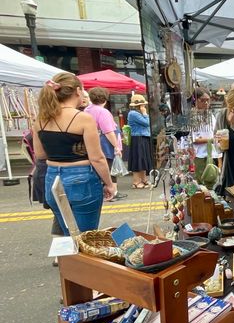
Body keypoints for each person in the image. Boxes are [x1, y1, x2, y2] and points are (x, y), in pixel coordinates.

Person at [32, 73, 116, 236]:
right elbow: (97, 158)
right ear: (77, 91)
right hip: (82, 178)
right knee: (86, 237)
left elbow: (40, 154)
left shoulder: (41, 119)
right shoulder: (84, 119)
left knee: (69, 236)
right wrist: (109, 183)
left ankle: (70, 261)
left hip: (52, 179)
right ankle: (82, 262)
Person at [85, 87, 126, 202]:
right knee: (110, 167)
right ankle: (112, 192)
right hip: (105, 142)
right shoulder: (103, 112)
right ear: (105, 98)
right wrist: (116, 146)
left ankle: (106, 192)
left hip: (94, 141)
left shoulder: (88, 109)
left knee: (101, 167)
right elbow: (108, 131)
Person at [190, 88, 222, 188]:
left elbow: (215, 133)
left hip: (213, 154)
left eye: (208, 100)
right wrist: (212, 140)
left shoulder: (210, 115)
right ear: (195, 100)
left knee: (214, 184)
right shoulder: (192, 117)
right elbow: (194, 139)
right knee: (203, 185)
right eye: (202, 100)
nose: (206, 103)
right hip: (200, 156)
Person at [127, 94, 154, 188]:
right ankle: (136, 181)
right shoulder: (133, 113)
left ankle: (144, 179)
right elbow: (147, 123)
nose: (144, 106)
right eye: (142, 105)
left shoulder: (137, 113)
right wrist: (145, 113)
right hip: (138, 138)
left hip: (143, 137)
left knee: (143, 159)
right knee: (138, 159)